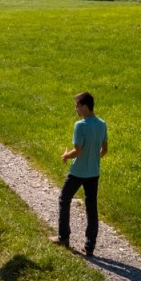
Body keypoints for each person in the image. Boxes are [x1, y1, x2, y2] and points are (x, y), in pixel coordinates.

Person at [51, 91, 108, 257]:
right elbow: (104, 150)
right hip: (93, 172)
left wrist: (66, 156)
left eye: (77, 106)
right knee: (91, 207)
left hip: (77, 172)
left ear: (84, 106)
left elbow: (78, 151)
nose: (75, 109)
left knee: (64, 199)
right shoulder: (101, 124)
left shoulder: (80, 125)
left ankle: (63, 237)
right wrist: (93, 157)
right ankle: (90, 247)